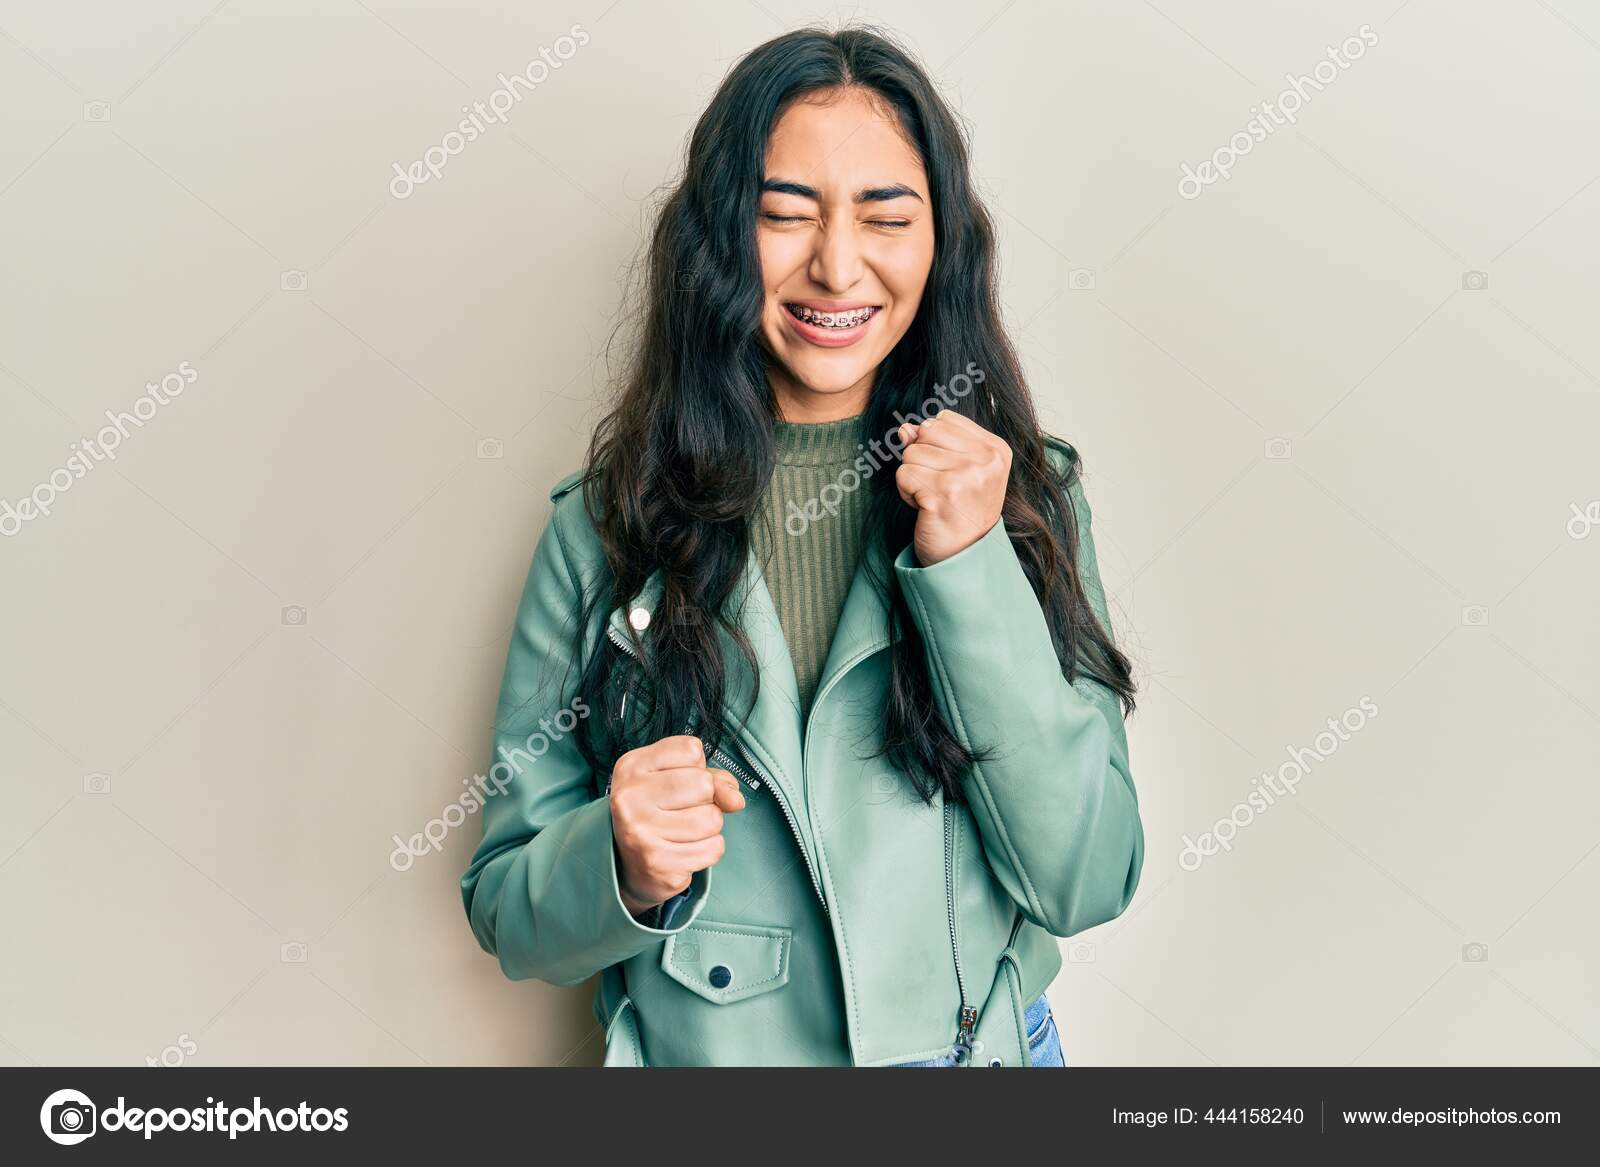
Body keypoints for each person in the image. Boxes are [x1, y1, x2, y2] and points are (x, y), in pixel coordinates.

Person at [461, 25, 1141, 1067]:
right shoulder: (604, 527)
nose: (835, 265)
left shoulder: (1024, 498)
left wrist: (971, 571)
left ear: (940, 243)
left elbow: (1084, 880)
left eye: (885, 216)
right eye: (783, 215)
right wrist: (620, 859)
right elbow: (508, 909)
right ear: (719, 241)